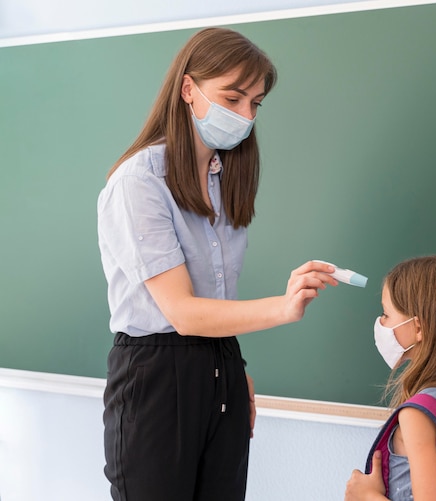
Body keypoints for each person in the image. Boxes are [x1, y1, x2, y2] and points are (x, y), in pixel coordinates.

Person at [97, 27, 337, 501]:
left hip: (219, 365)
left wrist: (231, 365)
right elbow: (183, 312)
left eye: (255, 103)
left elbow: (214, 303)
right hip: (156, 377)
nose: (245, 115)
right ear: (188, 89)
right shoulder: (138, 182)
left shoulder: (225, 180)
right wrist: (284, 307)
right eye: (233, 96)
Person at [345, 255, 436, 501]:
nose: (381, 323)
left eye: (386, 314)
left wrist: (366, 496)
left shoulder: (417, 413)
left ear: (418, 328)